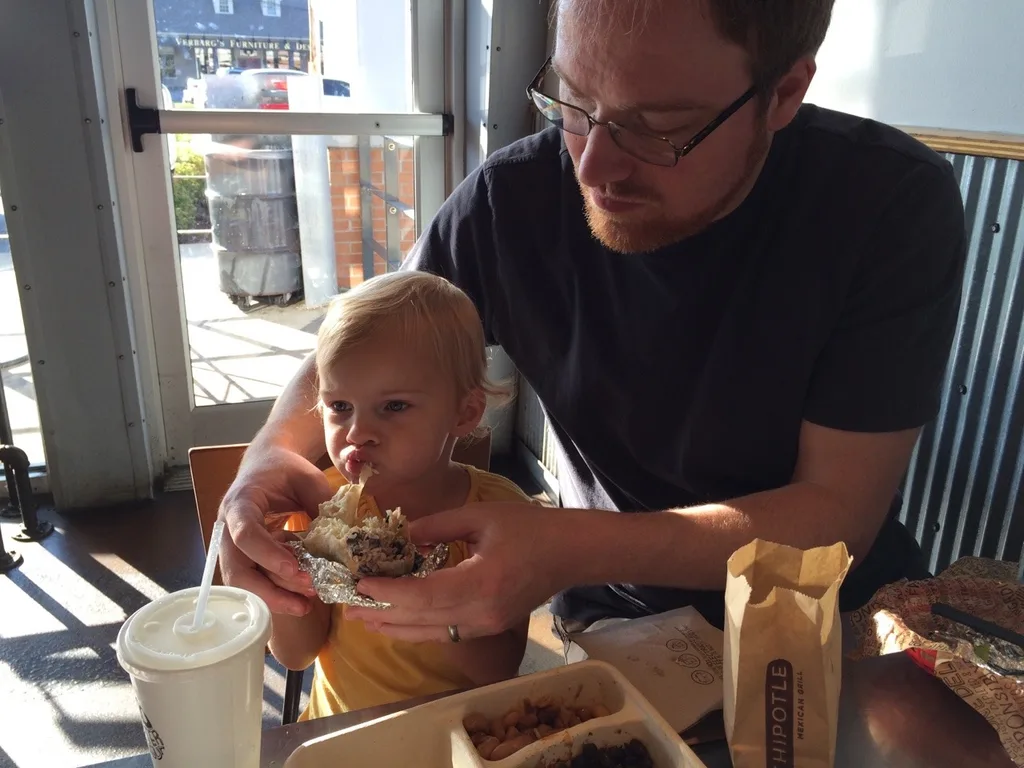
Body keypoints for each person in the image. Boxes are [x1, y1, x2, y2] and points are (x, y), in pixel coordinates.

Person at [219, 0, 966, 650]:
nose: (591, 167)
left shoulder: (885, 205)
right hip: (622, 617)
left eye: (659, 127)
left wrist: (570, 545)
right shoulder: (510, 201)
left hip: (833, 618)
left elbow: (836, 513)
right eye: (573, 103)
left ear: (785, 92)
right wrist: (265, 460)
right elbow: (370, 343)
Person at [265, 271, 535, 717]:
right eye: (340, 406)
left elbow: (500, 668)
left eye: (394, 406)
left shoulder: (500, 515)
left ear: (463, 412)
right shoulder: (318, 504)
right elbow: (296, 655)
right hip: (342, 732)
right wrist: (284, 577)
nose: (357, 432)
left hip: (454, 735)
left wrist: (431, 604)